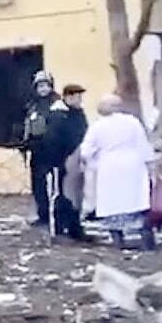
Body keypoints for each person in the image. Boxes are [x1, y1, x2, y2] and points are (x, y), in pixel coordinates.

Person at [79, 95, 157, 249]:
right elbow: (143, 145)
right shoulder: (132, 122)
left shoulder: (98, 126)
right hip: (133, 165)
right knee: (136, 201)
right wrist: (150, 164)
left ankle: (118, 240)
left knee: (112, 203)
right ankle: (146, 239)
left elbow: (86, 151)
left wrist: (89, 162)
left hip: (109, 167)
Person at [45, 84, 90, 240]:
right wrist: (59, 160)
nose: (79, 100)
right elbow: (52, 140)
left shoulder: (78, 113)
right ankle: (57, 228)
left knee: (76, 195)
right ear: (67, 97)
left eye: (80, 97)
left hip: (77, 160)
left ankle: (74, 227)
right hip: (61, 161)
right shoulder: (57, 115)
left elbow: (84, 133)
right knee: (60, 194)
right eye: (77, 97)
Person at [20, 71, 62, 226]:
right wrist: (25, 142)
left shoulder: (58, 104)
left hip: (55, 151)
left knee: (56, 186)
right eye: (40, 86)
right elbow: (27, 126)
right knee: (38, 184)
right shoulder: (32, 105)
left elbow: (60, 126)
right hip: (37, 151)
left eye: (46, 85)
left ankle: (57, 217)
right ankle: (43, 215)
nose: (43, 89)